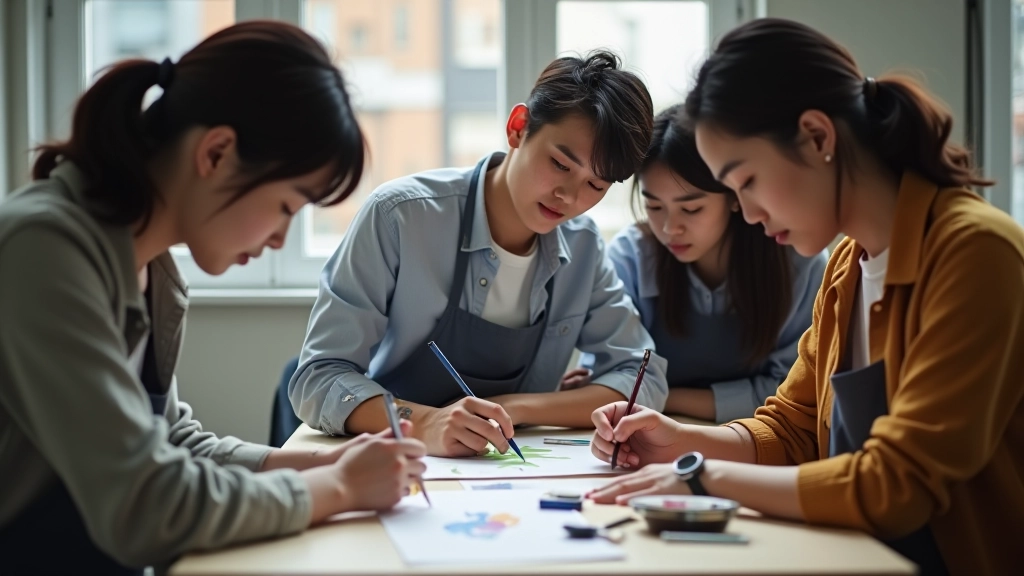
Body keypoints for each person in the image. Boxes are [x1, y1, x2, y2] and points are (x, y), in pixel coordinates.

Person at [586, 18, 1023, 576]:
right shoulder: (848, 264)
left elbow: (896, 483)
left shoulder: (976, 253)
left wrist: (701, 474)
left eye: (745, 181)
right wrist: (678, 441)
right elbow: (791, 429)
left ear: (818, 137)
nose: (745, 212)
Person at [0, 21, 425, 575]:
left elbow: (170, 443)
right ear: (217, 152)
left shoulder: (150, 267)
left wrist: (309, 465)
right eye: (285, 207)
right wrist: (338, 487)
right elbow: (144, 505)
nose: (279, 238)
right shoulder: (44, 249)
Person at [290, 51, 669, 457]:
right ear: (518, 128)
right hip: (398, 461)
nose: (570, 197)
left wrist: (518, 407)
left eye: (596, 186)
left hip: (511, 471)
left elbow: (643, 379)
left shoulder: (583, 246)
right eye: (560, 164)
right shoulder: (401, 217)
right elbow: (320, 377)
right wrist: (424, 423)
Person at [564, 105, 825, 422]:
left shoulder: (795, 260)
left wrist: (661, 396)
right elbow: (608, 380)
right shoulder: (632, 257)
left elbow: (792, 393)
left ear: (734, 195)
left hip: (756, 438)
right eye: (654, 206)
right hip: (648, 435)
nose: (670, 227)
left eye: (691, 209)